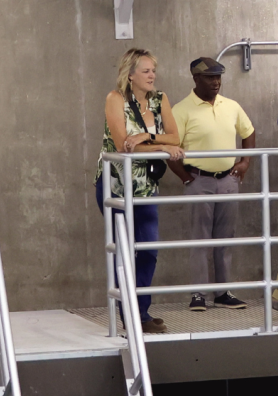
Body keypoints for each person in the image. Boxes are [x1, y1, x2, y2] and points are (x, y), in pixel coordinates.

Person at [96, 48, 184, 334]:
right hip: (117, 185)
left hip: (146, 187)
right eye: (145, 70)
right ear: (130, 74)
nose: (151, 75)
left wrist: (148, 136)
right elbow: (124, 145)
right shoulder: (115, 99)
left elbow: (175, 137)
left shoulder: (160, 100)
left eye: (153, 70)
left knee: (147, 251)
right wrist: (162, 147)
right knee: (124, 250)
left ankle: (141, 312)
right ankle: (131, 316)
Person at [169, 57, 253, 312]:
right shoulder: (181, 110)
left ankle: (223, 292)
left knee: (226, 238)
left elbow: (248, 133)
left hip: (228, 180)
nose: (216, 82)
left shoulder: (232, 106)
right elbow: (170, 149)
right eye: (210, 77)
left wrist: (245, 162)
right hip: (199, 180)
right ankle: (198, 294)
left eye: (218, 77)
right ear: (195, 79)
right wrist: (185, 177)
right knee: (200, 239)